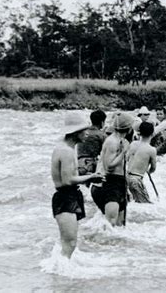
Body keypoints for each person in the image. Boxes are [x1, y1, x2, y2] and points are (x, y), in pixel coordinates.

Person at [51, 113, 103, 258]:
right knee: (70, 243)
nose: (87, 133)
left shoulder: (67, 147)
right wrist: (91, 177)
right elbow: (67, 180)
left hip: (70, 195)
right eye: (84, 130)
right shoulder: (66, 151)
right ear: (75, 132)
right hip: (65, 197)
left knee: (69, 243)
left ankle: (61, 274)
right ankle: (59, 275)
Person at [94, 112, 133, 226]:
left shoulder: (122, 141)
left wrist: (127, 188)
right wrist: (123, 152)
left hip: (120, 183)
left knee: (121, 225)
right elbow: (109, 166)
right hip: (111, 184)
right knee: (110, 223)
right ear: (129, 128)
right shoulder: (112, 141)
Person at [126, 122, 157, 203]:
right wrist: (148, 170)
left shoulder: (133, 143)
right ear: (153, 133)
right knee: (147, 205)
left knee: (130, 203)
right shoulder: (152, 150)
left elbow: (127, 158)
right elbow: (153, 168)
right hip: (136, 180)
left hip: (126, 177)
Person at [77, 110, 107, 185]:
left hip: (78, 163)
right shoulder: (101, 135)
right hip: (90, 165)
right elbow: (105, 152)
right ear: (102, 122)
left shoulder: (83, 132)